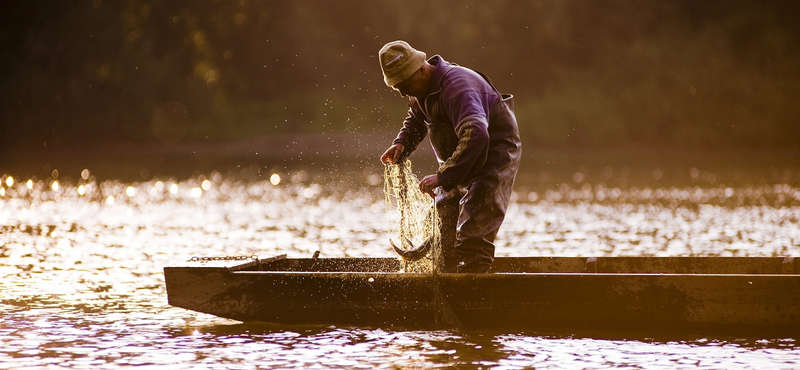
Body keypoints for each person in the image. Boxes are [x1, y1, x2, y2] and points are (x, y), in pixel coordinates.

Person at [378, 40, 521, 273]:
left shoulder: (457, 88)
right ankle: (449, 281)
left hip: (493, 153)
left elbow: (476, 134)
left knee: (473, 232)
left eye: (404, 85)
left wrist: (443, 175)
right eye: (398, 89)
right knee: (443, 234)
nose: (404, 93)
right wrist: (401, 143)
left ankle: (472, 289)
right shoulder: (421, 89)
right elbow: (417, 118)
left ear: (421, 69)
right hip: (457, 158)